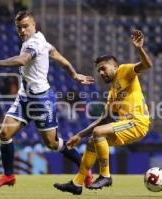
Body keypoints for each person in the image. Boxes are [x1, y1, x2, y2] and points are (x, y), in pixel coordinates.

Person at [0, 10, 94, 189]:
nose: (22, 31)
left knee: (52, 143)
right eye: (19, 28)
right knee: (4, 134)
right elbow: (60, 59)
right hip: (24, 97)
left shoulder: (35, 44)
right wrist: (74, 74)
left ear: (34, 25)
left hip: (41, 99)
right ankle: (8, 175)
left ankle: (85, 168)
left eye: (25, 26)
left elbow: (23, 60)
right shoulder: (43, 42)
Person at [53, 29, 153, 195]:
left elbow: (147, 65)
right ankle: (77, 184)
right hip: (126, 126)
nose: (100, 73)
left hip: (138, 122)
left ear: (115, 66)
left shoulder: (125, 71)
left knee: (99, 133)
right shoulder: (113, 92)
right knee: (93, 141)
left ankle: (105, 175)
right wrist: (79, 135)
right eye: (98, 70)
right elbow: (103, 118)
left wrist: (139, 49)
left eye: (103, 68)